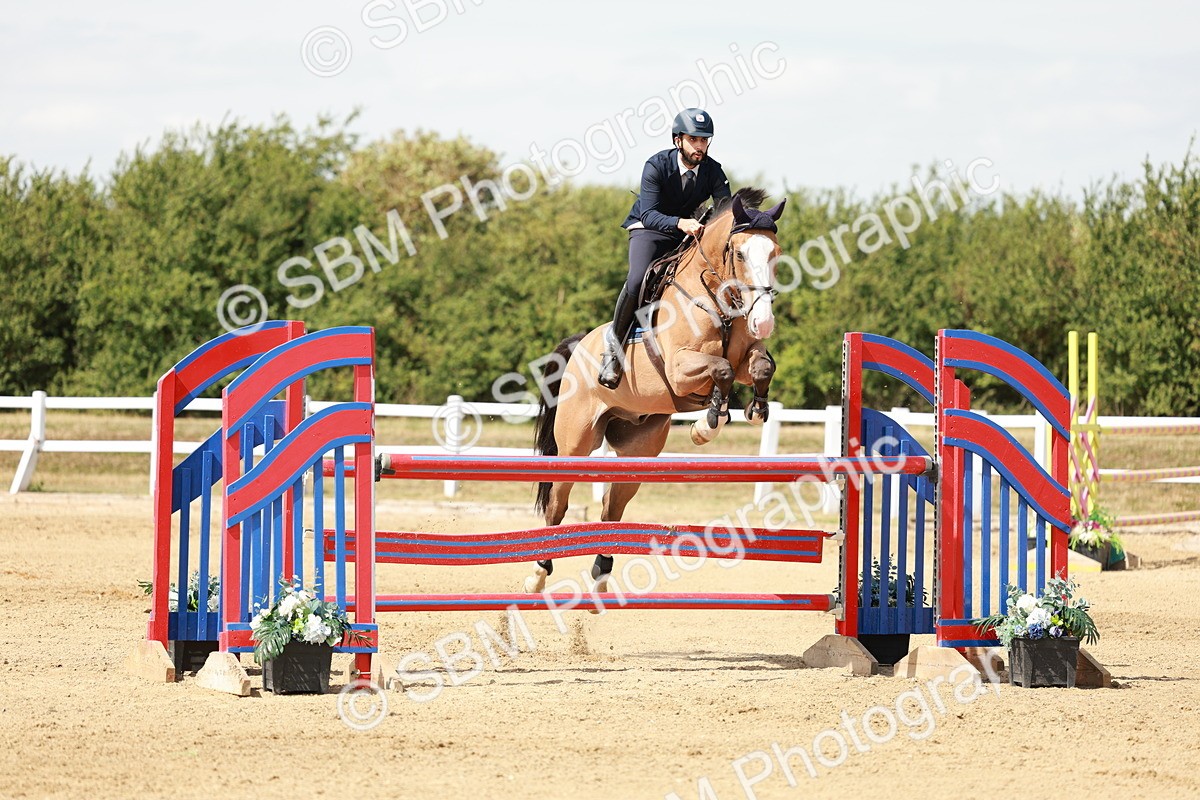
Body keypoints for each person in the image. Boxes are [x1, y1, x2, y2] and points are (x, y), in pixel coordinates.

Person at [597, 107, 732, 390]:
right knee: (637, 280)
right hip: (650, 230)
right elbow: (649, 214)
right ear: (677, 140)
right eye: (694, 139)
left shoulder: (713, 171)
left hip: (688, 233)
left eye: (704, 140)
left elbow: (725, 211)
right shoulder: (657, 165)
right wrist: (681, 222)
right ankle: (613, 349)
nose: (700, 146)